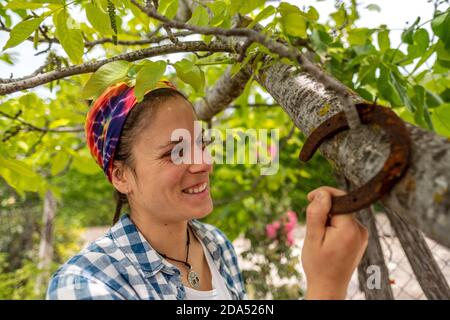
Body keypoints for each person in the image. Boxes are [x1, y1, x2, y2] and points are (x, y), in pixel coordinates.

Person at [46, 80, 368, 300]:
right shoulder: (88, 282)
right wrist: (326, 285)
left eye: (201, 143)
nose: (203, 163)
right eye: (176, 152)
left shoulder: (216, 246)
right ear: (120, 176)